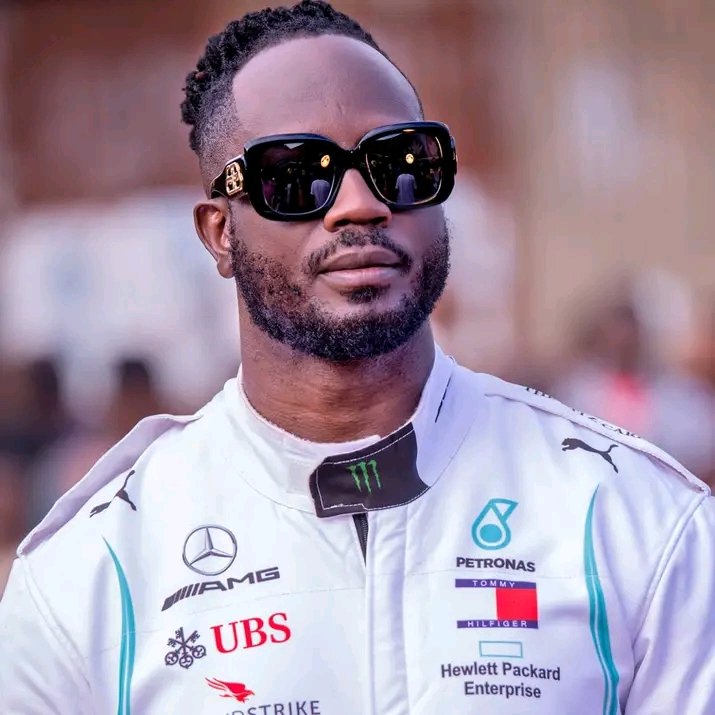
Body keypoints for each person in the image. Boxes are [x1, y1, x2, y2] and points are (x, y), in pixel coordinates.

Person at [0, 2, 713, 713]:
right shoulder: (93, 571)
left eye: (401, 164)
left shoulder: (636, 520)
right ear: (219, 233)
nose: (360, 205)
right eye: (295, 176)